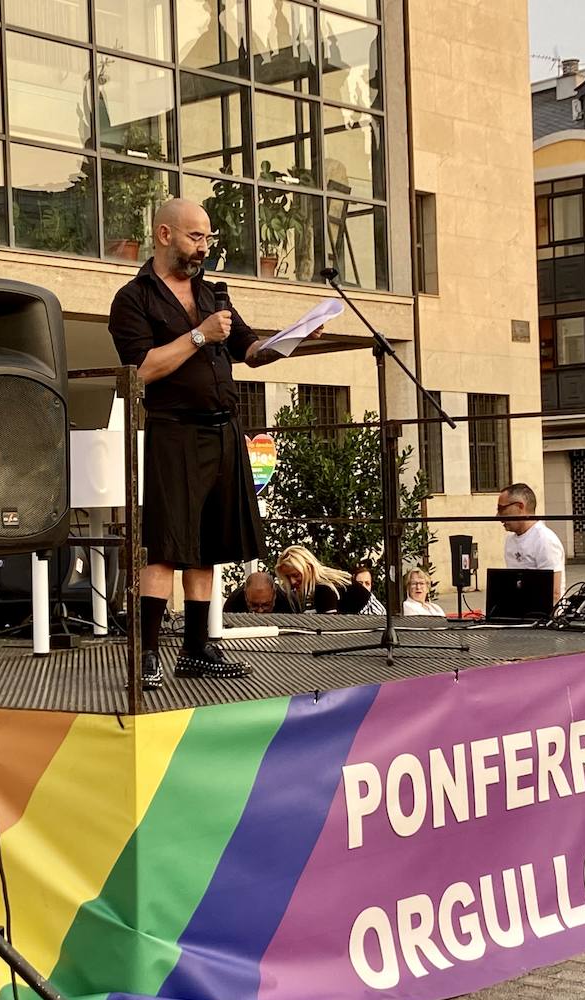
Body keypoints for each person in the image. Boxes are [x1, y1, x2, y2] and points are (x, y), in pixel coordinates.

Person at [109, 197, 299, 688]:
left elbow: (249, 351)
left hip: (224, 428)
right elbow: (140, 370)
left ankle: (196, 649)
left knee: (207, 545)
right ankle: (147, 653)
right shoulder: (134, 299)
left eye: (208, 238)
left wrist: (288, 341)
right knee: (165, 546)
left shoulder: (213, 294)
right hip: (174, 430)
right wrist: (197, 336)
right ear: (164, 234)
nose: (204, 247)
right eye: (196, 237)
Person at [497, 482, 565, 602]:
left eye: (502, 509)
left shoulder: (544, 540)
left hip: (544, 617)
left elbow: (554, 592)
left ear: (520, 507)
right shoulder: (510, 540)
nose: (498, 516)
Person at [275, 545, 352, 613]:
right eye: (287, 577)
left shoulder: (324, 589)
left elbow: (329, 626)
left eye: (296, 575)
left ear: (309, 568)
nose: (292, 581)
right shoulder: (309, 592)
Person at [223, 571, 298, 614]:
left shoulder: (288, 601)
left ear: (274, 595)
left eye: (266, 605)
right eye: (254, 605)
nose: (260, 611)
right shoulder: (233, 602)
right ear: (245, 595)